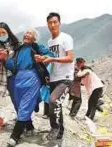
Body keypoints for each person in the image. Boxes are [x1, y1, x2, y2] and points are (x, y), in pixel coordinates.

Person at [5, 29, 53, 146]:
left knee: (25, 106)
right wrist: (5, 59)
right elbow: (12, 65)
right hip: (18, 79)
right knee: (18, 104)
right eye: (26, 33)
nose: (26, 34)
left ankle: (15, 136)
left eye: (30, 33)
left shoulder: (38, 47)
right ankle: (29, 126)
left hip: (32, 78)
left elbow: (50, 55)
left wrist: (43, 58)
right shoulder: (19, 49)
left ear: (34, 38)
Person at [35, 12, 74, 140]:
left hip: (66, 78)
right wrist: (43, 59)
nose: (52, 25)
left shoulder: (66, 38)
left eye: (55, 22)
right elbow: (50, 58)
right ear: (47, 25)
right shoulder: (50, 41)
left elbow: (70, 58)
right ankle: (60, 132)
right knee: (56, 104)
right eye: (50, 23)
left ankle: (54, 127)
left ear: (59, 23)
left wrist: (52, 60)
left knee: (53, 100)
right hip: (53, 77)